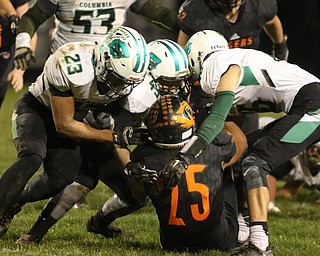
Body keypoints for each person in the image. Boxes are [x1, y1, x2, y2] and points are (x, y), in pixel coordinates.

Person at [14, 38, 192, 244]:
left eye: (179, 81)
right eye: (170, 83)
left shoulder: (143, 88)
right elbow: (119, 134)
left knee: (135, 194)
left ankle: (99, 223)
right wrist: (129, 164)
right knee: (84, 180)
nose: (176, 88)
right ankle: (32, 229)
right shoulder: (136, 93)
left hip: (108, 136)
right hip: (93, 132)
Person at [161, 29, 320, 255]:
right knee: (243, 155)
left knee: (255, 162)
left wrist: (186, 156)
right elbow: (235, 131)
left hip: (314, 107)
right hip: (307, 104)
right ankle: (244, 229)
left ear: (197, 56)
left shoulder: (219, 65)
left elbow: (217, 120)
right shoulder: (234, 59)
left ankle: (259, 244)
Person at [0, 26, 150, 238]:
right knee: (32, 156)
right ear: (103, 61)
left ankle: (14, 201)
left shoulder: (125, 81)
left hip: (76, 121)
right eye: (117, 79)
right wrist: (114, 136)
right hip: (37, 110)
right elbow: (64, 125)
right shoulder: (72, 62)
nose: (121, 87)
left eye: (127, 82)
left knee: (60, 177)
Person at [92, 94, 247, 252]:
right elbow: (241, 142)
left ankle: (99, 220)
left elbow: (135, 195)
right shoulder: (212, 146)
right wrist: (218, 117)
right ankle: (245, 222)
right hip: (221, 240)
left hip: (173, 244)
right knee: (225, 168)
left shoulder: (144, 155)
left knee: (141, 186)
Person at [177, 0, 289, 136]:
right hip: (211, 84)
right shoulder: (196, 9)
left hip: (245, 81)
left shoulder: (259, 5)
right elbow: (183, 51)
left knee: (247, 136)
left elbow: (271, 21)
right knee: (218, 137)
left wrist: (280, 46)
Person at [13, 0, 179, 71]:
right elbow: (32, 17)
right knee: (59, 134)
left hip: (109, 68)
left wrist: (191, 31)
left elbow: (161, 15)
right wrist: (22, 44)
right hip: (65, 65)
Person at [0, 0, 37, 109]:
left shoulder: (18, 3)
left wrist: (19, 70)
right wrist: (12, 15)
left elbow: (30, 32)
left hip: (3, 54)